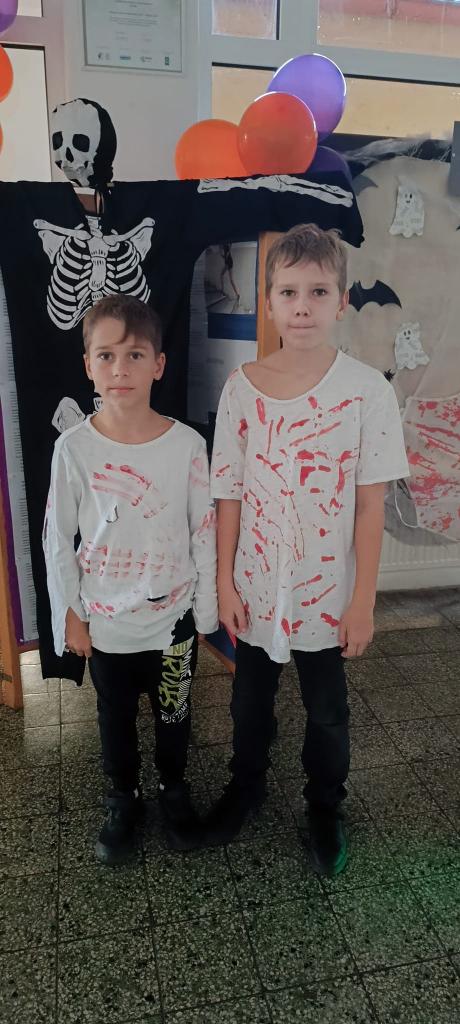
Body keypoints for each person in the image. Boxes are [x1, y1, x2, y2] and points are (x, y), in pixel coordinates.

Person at [206, 223, 409, 877]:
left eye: (318, 291)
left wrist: (363, 602)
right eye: (289, 292)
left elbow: (370, 507)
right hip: (255, 587)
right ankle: (246, 788)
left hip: (327, 594)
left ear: (341, 301)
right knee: (248, 703)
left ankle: (325, 805)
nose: (302, 306)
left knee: (327, 712)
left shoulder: (366, 392)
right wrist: (225, 584)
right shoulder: (241, 388)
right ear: (268, 302)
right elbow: (229, 494)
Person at [43, 294, 218, 864]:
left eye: (135, 355)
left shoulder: (187, 446)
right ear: (88, 365)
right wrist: (70, 613)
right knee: (114, 717)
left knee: (174, 714)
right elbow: (57, 538)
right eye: (107, 355)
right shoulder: (74, 448)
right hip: (108, 622)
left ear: (158, 364)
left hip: (174, 623)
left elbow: (203, 532)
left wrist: (206, 612)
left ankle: (173, 789)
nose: (121, 369)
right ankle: (124, 797)